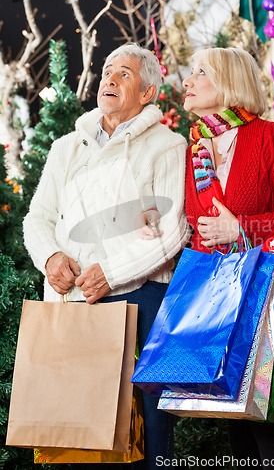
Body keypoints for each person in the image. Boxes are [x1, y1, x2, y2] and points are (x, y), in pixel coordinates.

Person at [23, 43, 189, 469]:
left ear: (148, 93)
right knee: (73, 433)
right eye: (107, 72)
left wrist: (111, 272)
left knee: (146, 434)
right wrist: (51, 257)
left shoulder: (167, 146)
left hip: (139, 301)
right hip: (72, 302)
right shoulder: (67, 147)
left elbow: (171, 231)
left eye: (125, 74)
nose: (110, 80)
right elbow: (37, 219)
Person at [182, 47, 274, 469]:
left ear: (227, 82)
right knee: (235, 421)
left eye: (199, 72)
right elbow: (197, 223)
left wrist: (243, 228)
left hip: (267, 299)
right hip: (219, 304)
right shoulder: (197, 151)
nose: (187, 81)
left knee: (267, 420)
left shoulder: (270, 138)